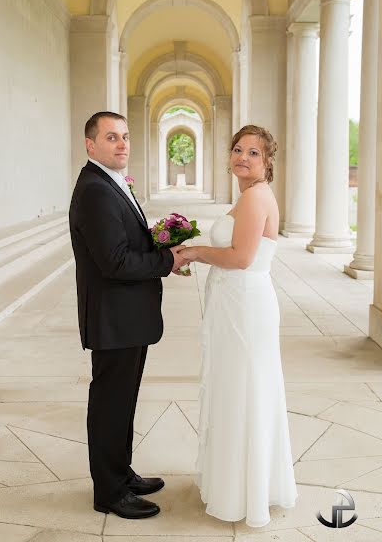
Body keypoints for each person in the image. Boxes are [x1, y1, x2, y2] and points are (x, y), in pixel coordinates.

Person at [69, 111, 189, 520]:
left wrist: (157, 240)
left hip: (127, 318)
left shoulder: (110, 183)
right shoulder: (96, 190)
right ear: (90, 145)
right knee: (109, 406)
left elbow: (122, 240)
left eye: (125, 136)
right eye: (110, 137)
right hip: (113, 320)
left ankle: (121, 473)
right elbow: (115, 262)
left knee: (122, 403)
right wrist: (165, 259)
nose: (121, 144)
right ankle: (110, 492)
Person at [178, 125, 298, 527]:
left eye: (253, 153)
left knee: (243, 389)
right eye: (237, 149)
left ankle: (243, 491)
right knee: (240, 387)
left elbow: (242, 257)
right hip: (238, 303)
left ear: (267, 162)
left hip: (244, 305)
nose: (242, 157)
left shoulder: (256, 197)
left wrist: (194, 251)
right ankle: (245, 482)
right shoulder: (249, 196)